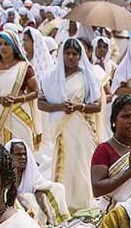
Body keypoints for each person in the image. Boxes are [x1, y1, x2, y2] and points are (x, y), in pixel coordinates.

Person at [38, 37, 104, 213]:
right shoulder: (52, 77)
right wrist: (60, 106)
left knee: (82, 164)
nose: (71, 57)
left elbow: (97, 105)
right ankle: (64, 204)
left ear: (80, 56)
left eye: (75, 54)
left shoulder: (87, 77)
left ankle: (83, 203)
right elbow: (41, 104)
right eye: (67, 53)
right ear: (62, 54)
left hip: (82, 128)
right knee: (65, 164)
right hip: (63, 129)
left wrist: (78, 107)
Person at [0, 30, 41, 161]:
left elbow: (36, 91)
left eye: (6, 44)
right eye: (0, 44)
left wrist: (19, 99)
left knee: (22, 151)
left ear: (14, 46)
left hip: (19, 113)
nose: (2, 47)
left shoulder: (24, 68)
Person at [91, 93, 131, 211]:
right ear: (114, 120)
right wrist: (130, 170)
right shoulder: (104, 150)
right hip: (114, 213)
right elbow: (97, 189)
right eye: (125, 116)